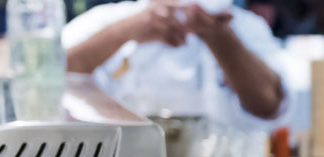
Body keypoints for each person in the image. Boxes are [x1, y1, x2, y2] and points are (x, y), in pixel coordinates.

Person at [64, 0, 290, 128]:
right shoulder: (105, 20)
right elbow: (45, 78)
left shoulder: (245, 26)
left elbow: (270, 106)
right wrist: (125, 31)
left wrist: (220, 37)